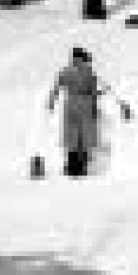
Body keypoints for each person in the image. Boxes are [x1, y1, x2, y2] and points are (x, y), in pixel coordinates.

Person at [47, 47, 102, 177]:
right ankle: (82, 167)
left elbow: (56, 87)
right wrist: (95, 105)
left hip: (70, 104)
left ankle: (72, 167)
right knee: (85, 135)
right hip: (86, 105)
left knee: (71, 135)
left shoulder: (65, 71)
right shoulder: (89, 72)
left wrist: (51, 102)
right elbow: (93, 92)